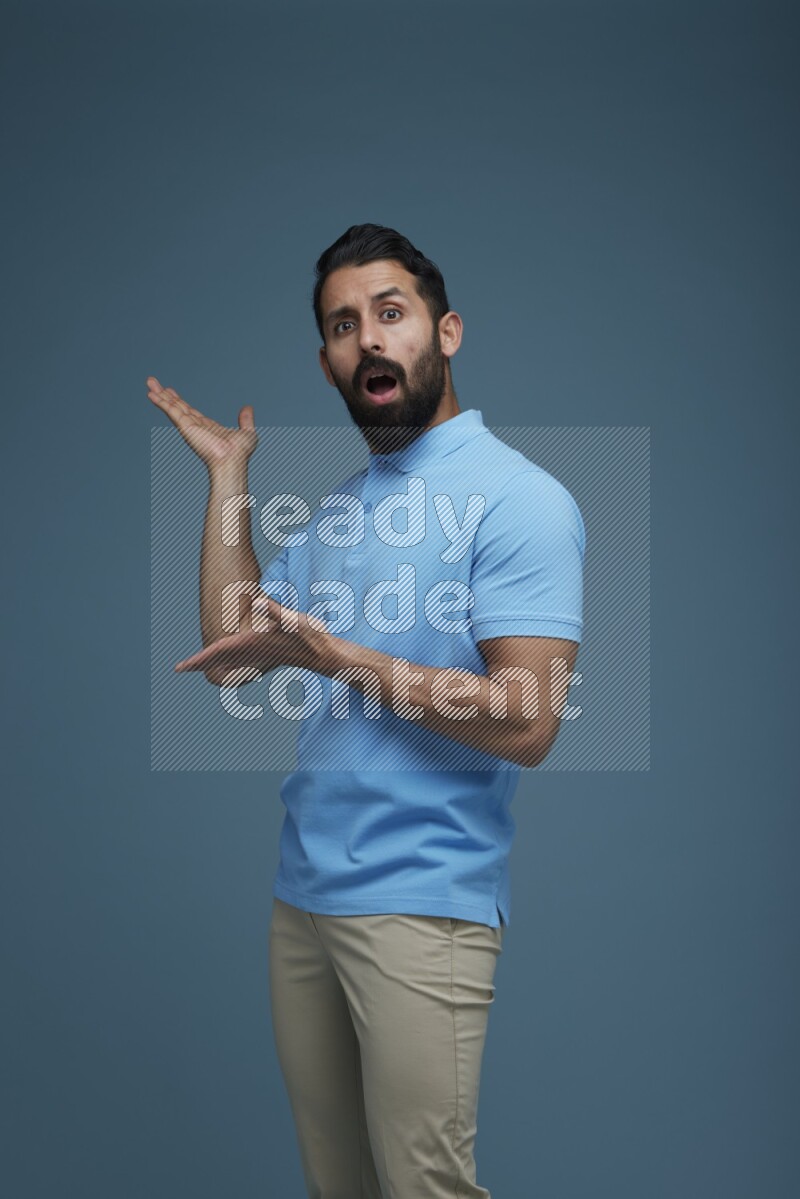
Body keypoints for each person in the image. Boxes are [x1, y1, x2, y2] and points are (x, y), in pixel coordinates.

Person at [147, 223, 585, 1199]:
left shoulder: (519, 500)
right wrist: (228, 477)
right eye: (344, 325)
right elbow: (231, 650)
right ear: (327, 361)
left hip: (423, 904)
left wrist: (338, 655)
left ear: (446, 330)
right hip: (302, 900)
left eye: (390, 313)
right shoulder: (342, 507)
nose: (368, 339)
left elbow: (527, 719)